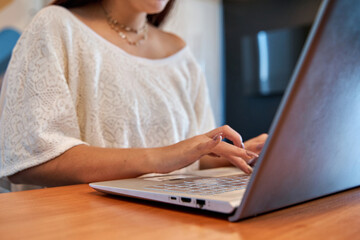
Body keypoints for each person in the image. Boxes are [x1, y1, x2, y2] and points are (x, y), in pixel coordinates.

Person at [0, 0, 267, 190]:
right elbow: (30, 160)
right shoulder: (56, 26)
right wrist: (161, 158)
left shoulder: (180, 53)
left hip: (171, 220)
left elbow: (190, 159)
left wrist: (239, 154)